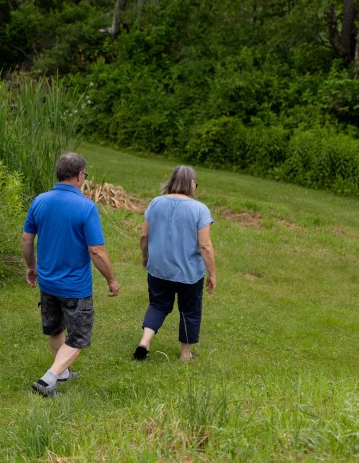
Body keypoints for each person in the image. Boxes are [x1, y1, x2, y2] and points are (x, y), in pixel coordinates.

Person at [22, 152, 121, 397]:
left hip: (48, 283)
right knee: (79, 336)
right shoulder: (86, 207)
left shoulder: (40, 201)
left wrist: (31, 266)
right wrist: (111, 279)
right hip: (75, 287)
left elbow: (26, 238)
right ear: (79, 176)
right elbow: (96, 250)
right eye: (84, 176)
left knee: (55, 329)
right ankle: (49, 379)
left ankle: (63, 373)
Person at [133, 165, 217, 363]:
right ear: (192, 184)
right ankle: (185, 354)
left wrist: (145, 256)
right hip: (189, 274)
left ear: (171, 181)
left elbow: (144, 235)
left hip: (159, 269)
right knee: (190, 311)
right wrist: (212, 273)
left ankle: (145, 342)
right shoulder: (200, 209)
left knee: (158, 305)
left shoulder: (155, 203)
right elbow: (205, 246)